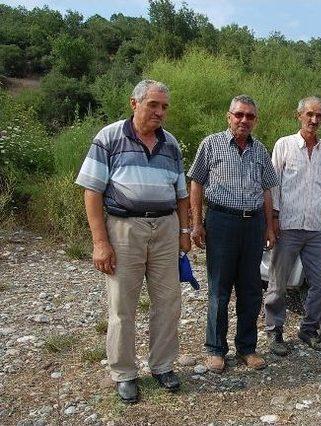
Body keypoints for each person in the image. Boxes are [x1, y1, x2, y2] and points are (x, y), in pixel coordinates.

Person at [75, 80, 191, 404]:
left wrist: (184, 232)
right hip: (124, 229)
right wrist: (100, 242)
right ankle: (124, 373)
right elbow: (92, 191)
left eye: (165, 107)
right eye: (154, 104)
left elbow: (182, 194)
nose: (160, 112)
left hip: (166, 229)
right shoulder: (109, 137)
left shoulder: (171, 144)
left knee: (168, 302)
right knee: (122, 306)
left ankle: (163, 365)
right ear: (134, 103)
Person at [188, 95, 278, 373]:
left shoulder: (260, 150)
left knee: (251, 289)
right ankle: (215, 349)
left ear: (255, 120)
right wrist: (196, 223)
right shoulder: (211, 144)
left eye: (250, 116)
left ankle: (247, 348)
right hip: (221, 222)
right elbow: (196, 182)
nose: (244, 120)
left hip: (252, 226)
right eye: (239, 114)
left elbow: (266, 190)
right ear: (229, 116)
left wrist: (269, 225)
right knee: (219, 289)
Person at [264, 96, 321, 355]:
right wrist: (272, 220)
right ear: (299, 116)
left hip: (315, 227)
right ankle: (275, 332)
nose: (314, 120)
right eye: (309, 115)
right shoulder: (284, 145)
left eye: (319, 116)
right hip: (288, 225)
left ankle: (308, 329)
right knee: (278, 283)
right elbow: (273, 185)